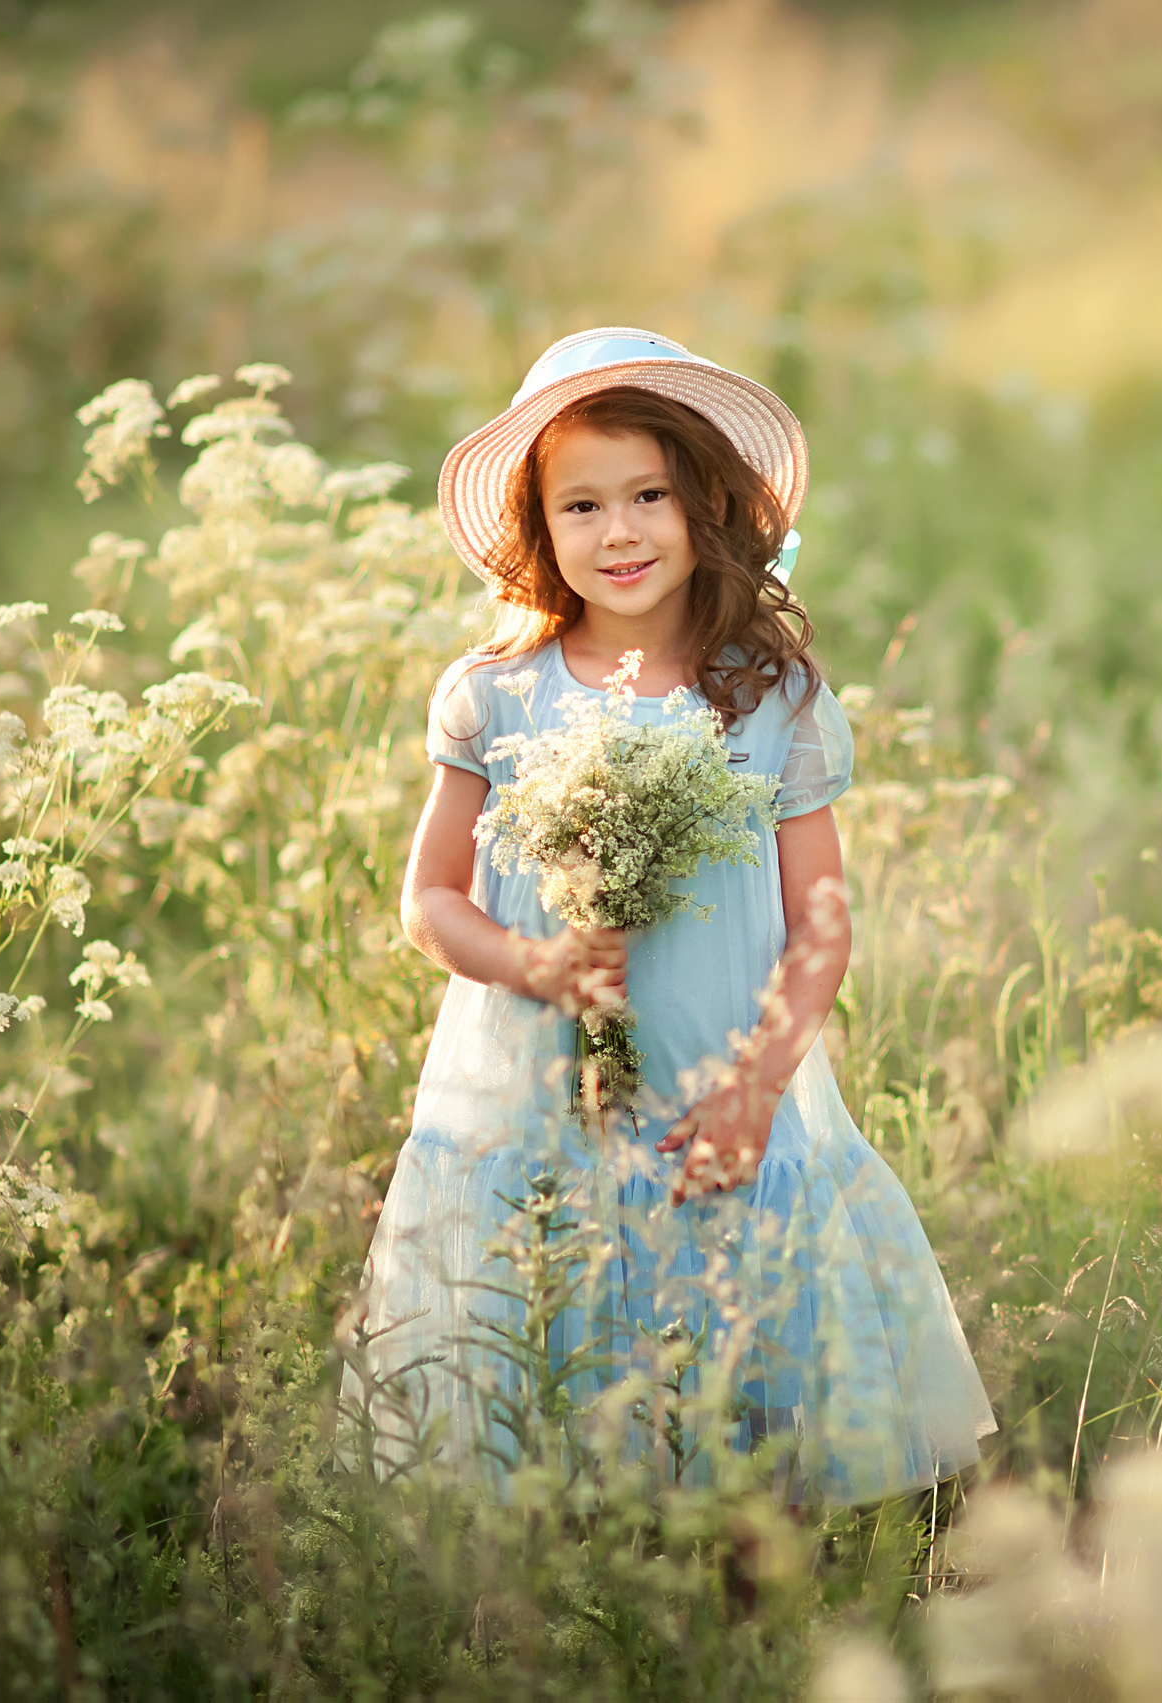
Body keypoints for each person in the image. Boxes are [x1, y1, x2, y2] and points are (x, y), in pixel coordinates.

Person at [340, 328, 995, 1503]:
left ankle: (741, 1613)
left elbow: (822, 924)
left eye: (649, 494)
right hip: (537, 1116)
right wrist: (534, 961)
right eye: (581, 504)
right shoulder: (497, 690)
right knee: (550, 1404)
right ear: (541, 531)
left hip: (713, 1099)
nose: (621, 530)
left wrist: (755, 1088)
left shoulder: (765, 694)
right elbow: (428, 902)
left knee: (738, 1429)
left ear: (707, 507)